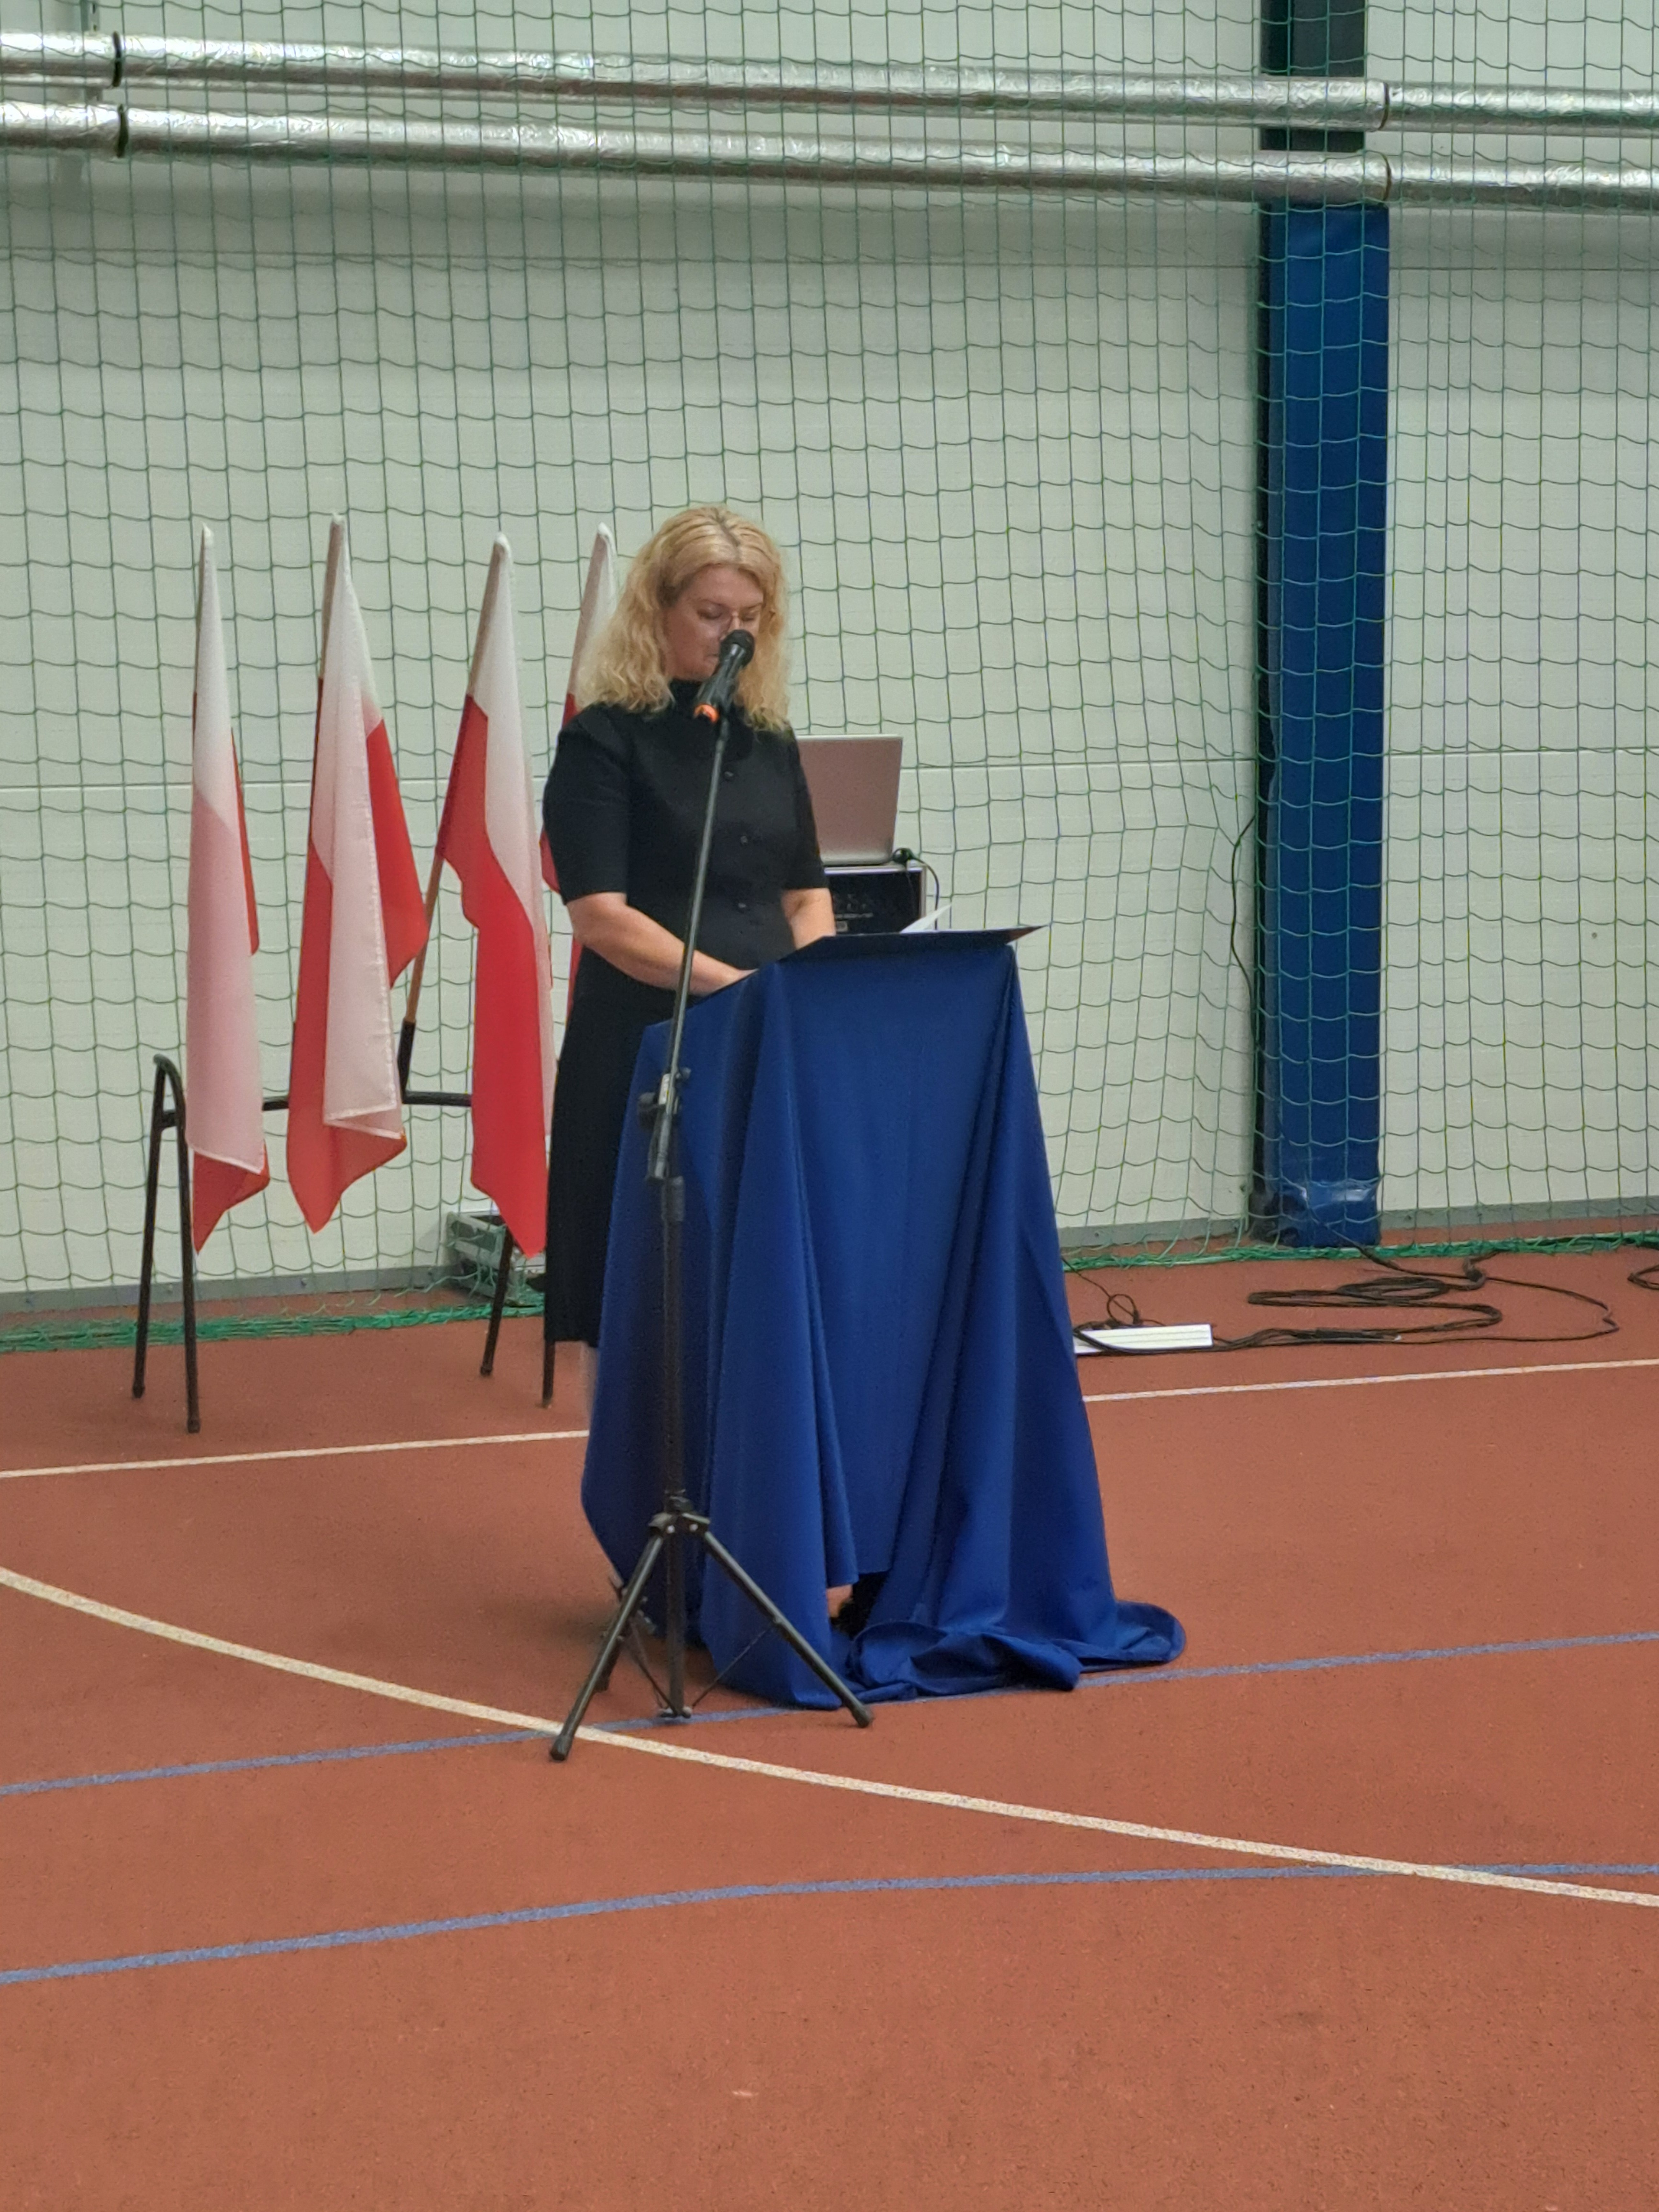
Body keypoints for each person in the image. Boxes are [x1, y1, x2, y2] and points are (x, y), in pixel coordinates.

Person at [542, 506, 837, 1396]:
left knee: (759, 1272)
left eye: (749, 616)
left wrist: (809, 990)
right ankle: (632, 1471)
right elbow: (602, 917)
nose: (732, 635)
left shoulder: (769, 739)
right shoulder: (603, 740)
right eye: (711, 614)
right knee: (637, 1282)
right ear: (656, 611)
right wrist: (734, 987)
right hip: (647, 1043)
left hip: (764, 1039)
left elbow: (804, 894)